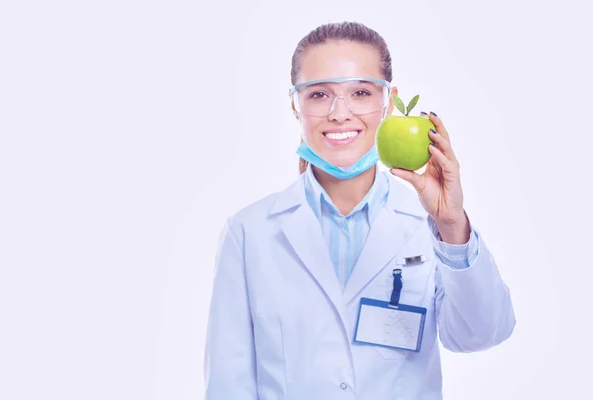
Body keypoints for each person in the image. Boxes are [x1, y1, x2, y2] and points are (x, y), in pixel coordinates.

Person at [203, 21, 516, 400]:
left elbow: (481, 333)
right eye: (319, 94)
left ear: (389, 101)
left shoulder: (425, 224)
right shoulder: (249, 232)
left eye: (361, 92)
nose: (339, 113)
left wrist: (451, 226)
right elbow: (228, 384)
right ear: (294, 104)